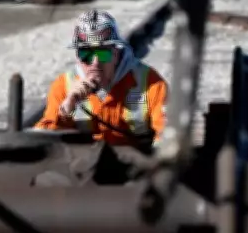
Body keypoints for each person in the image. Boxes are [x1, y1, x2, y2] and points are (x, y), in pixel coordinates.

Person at [34, 8, 168, 146]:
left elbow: (168, 135)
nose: (95, 63)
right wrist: (66, 109)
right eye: (86, 54)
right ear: (77, 56)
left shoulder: (150, 83)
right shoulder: (63, 87)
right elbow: (42, 144)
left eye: (103, 53)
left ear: (116, 53)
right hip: (84, 164)